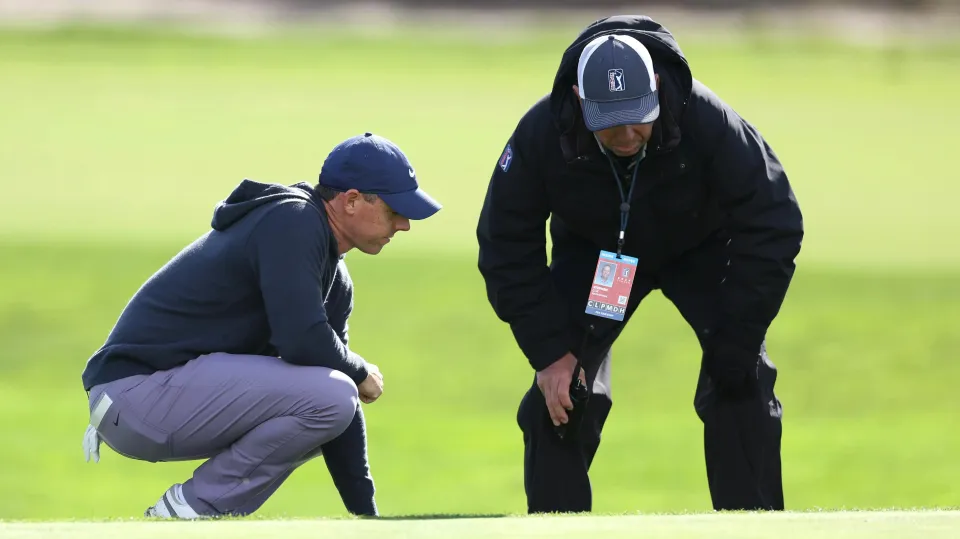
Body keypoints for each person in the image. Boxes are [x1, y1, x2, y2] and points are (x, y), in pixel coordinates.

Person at [476, 15, 803, 514]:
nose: (627, 134)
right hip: (599, 257)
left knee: (741, 381)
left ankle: (751, 525)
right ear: (581, 102)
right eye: (610, 122)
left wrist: (738, 337)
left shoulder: (705, 117)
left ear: (656, 88)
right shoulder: (543, 131)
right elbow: (504, 242)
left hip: (700, 248)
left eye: (638, 116)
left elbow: (774, 220)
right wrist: (549, 352)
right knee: (559, 399)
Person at [80, 132, 442, 519]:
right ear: (351, 200)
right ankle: (191, 508)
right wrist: (359, 369)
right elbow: (303, 342)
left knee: (333, 402)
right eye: (393, 209)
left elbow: (339, 400)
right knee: (334, 394)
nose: (404, 224)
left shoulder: (334, 278)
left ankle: (195, 509)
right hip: (138, 393)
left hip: (160, 400)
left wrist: (367, 517)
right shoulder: (294, 219)